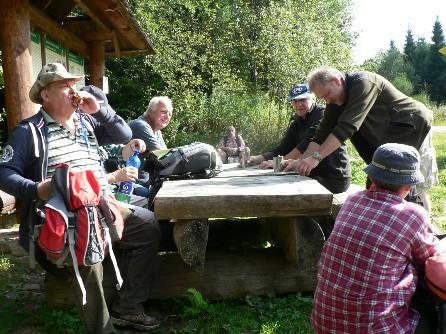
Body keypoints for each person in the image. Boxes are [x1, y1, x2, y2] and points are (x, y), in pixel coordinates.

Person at [0, 63, 161, 333]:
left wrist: (101, 110)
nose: (73, 90)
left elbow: (124, 134)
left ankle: (128, 308)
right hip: (60, 219)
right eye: (65, 85)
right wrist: (36, 189)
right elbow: (4, 172)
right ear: (46, 95)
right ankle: (103, 329)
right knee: (87, 250)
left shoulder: (86, 120)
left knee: (148, 226)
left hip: (102, 205)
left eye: (73, 84)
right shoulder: (29, 132)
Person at [312, 143, 446, 334]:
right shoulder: (412, 215)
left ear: (372, 176)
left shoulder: (352, 201)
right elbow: (430, 258)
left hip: (325, 323)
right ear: (410, 184)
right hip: (377, 329)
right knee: (437, 312)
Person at [284, 66, 438, 211]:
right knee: (381, 185)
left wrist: (315, 158)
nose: (327, 101)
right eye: (323, 98)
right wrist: (302, 161)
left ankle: (425, 229)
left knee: (414, 185)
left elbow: (346, 128)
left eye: (327, 94)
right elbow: (320, 136)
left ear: (337, 80)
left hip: (413, 127)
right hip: (387, 138)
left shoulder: (363, 83)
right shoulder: (334, 102)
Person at [249, 84, 351, 194]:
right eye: (295, 101)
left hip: (332, 177)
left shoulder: (323, 115)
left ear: (313, 98)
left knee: (277, 190)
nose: (299, 104)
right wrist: (259, 158)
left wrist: (280, 163)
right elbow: (283, 148)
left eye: (303, 100)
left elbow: (307, 144)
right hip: (310, 173)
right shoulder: (297, 122)